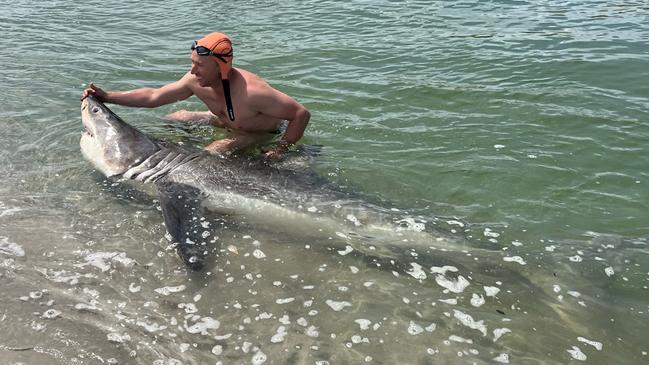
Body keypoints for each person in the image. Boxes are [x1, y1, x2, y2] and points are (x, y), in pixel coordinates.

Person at [81, 32, 310, 160]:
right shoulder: (195, 81)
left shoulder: (253, 93)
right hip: (223, 118)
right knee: (176, 117)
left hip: (256, 132)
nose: (192, 71)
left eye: (199, 65)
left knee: (214, 150)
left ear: (221, 67)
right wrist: (107, 96)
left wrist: (281, 149)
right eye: (192, 63)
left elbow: (300, 114)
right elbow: (153, 96)